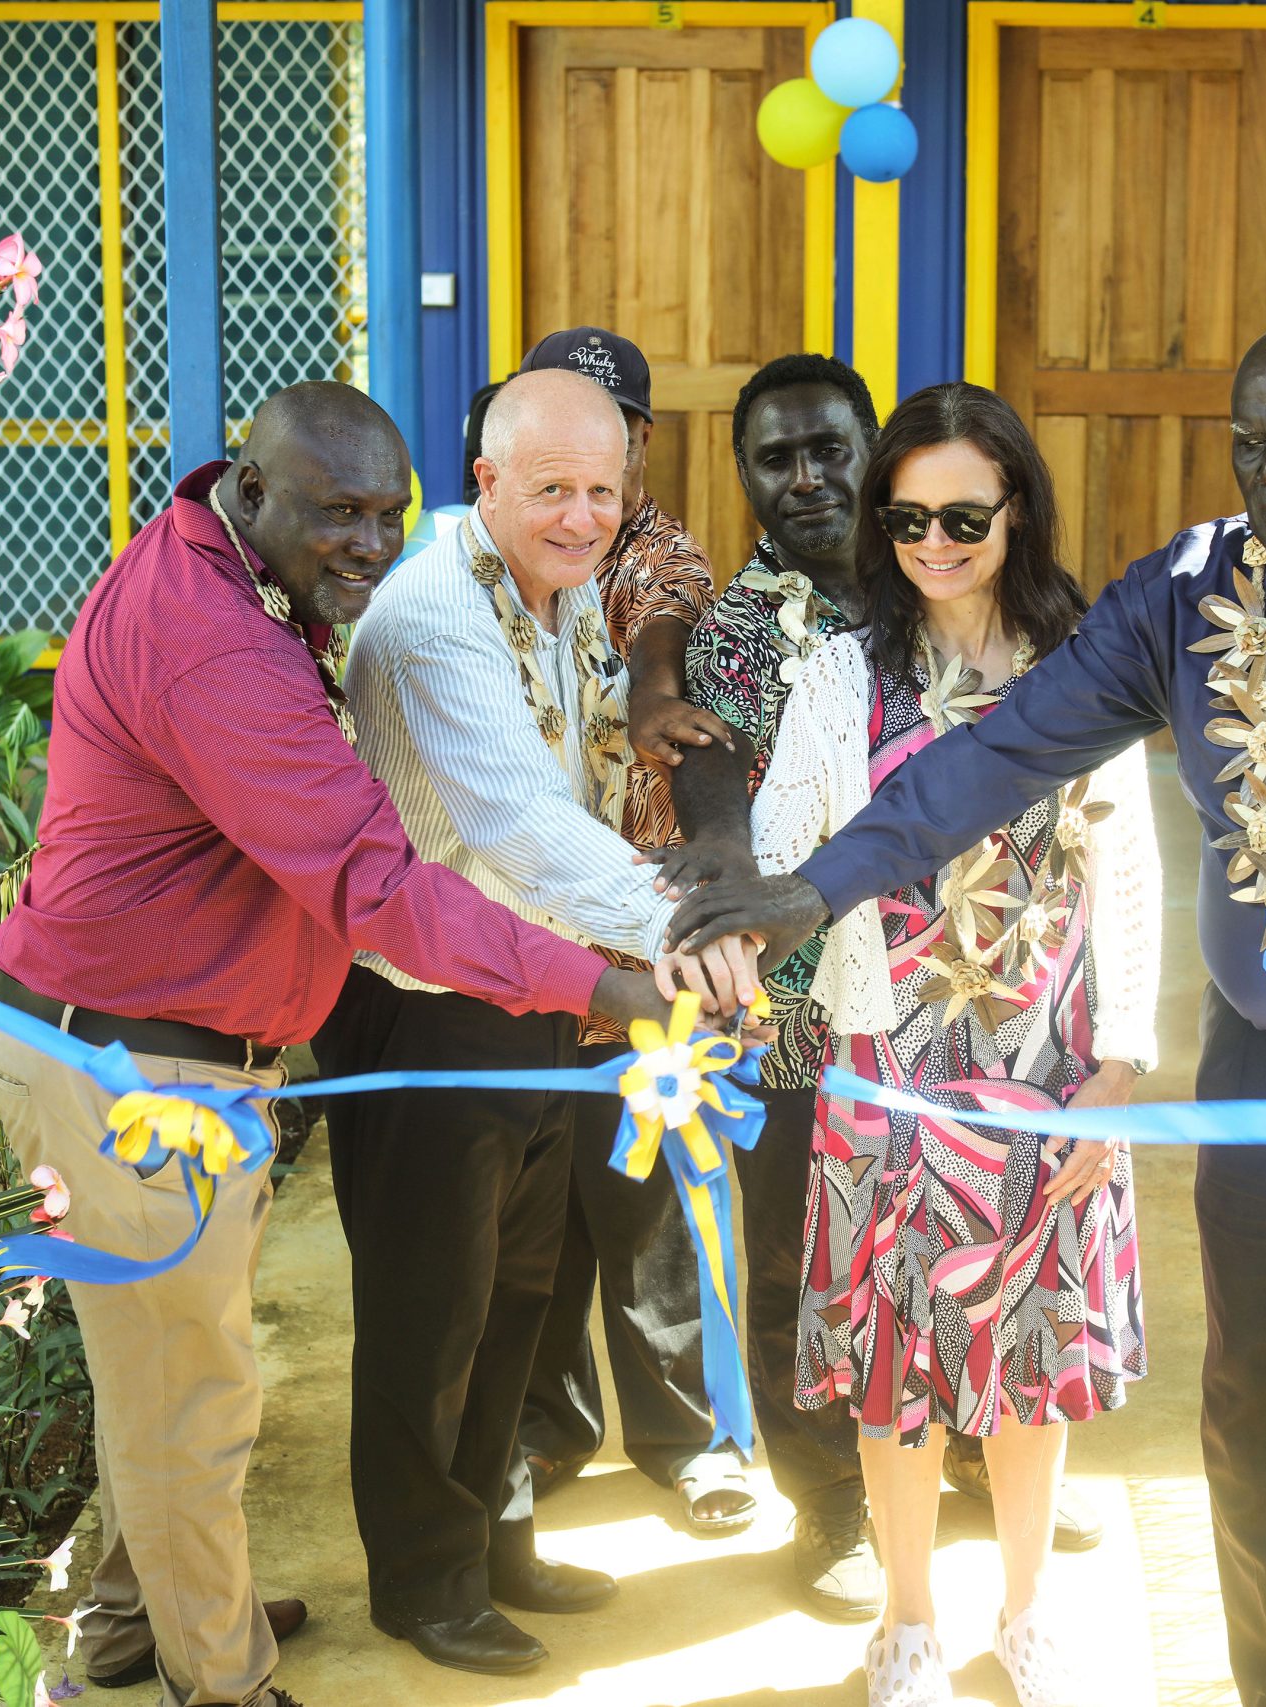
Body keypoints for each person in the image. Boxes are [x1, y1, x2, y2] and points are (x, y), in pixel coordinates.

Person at [666, 320, 1266, 1707]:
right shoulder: (1190, 594)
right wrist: (808, 894)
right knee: (1263, 1447)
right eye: (1249, 447)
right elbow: (1000, 752)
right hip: (1263, 1084)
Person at [0, 382, 677, 1707]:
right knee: (192, 1399)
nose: (367, 541)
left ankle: (145, 1614)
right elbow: (381, 887)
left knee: (172, 1363)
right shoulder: (219, 647)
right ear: (253, 489)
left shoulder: (225, 563)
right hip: (134, 1067)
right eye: (337, 512)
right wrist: (602, 986)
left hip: (164, 1049)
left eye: (388, 513)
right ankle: (226, 1681)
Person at [319, 368, 757, 1678]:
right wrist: (681, 928)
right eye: (553, 488)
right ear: (489, 480)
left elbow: (585, 753)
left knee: (520, 1289)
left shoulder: (553, 588)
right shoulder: (434, 615)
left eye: (603, 491)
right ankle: (423, 1577)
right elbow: (515, 819)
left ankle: (494, 1536)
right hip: (425, 1009)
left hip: (535, 992)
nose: (581, 515)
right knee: (429, 1306)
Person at [667, 354, 1107, 1624]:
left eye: (829, 451)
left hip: (1009, 1031)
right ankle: (838, 1524)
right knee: (837, 1288)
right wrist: (718, 915)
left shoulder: (1015, 617)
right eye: (774, 457)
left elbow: (1107, 833)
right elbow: (738, 804)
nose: (808, 478)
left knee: (997, 1270)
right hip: (833, 1020)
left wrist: (1110, 1030)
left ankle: (995, 1495)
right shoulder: (765, 640)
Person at [743, 381, 1159, 1707]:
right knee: (893, 1372)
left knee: (1030, 1370)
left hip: (1050, 1068)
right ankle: (910, 1623)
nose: (932, 540)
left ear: (1016, 506)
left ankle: (1027, 1613)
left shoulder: (1083, 661)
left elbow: (1133, 871)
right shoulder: (837, 673)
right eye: (906, 515)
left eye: (963, 514)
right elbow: (781, 855)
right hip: (890, 1069)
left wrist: (1125, 1063)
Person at [501, 327, 758, 1535]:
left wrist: (657, 692)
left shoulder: (657, 555)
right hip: (514, 943)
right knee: (534, 1203)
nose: (584, 484)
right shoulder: (495, 565)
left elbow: (663, 628)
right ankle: (551, 1426)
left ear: (641, 442)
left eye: (611, 436)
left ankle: (689, 1439)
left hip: (633, 943)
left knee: (653, 1195)